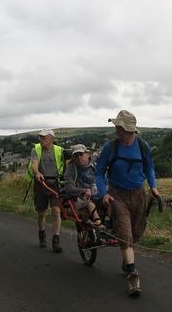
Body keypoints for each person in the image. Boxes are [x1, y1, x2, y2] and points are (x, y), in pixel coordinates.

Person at [94, 110, 160, 297]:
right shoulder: (110, 147)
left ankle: (126, 259)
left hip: (139, 194)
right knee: (125, 232)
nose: (117, 131)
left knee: (136, 233)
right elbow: (99, 172)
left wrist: (153, 187)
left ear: (130, 130)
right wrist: (104, 193)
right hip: (117, 196)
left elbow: (149, 168)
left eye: (120, 128)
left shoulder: (142, 146)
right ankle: (132, 274)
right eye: (116, 127)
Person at [26, 129, 64, 253]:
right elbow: (34, 164)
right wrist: (37, 173)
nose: (41, 140)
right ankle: (42, 233)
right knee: (41, 213)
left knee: (56, 210)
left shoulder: (59, 150)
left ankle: (56, 239)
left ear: (51, 138)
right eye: (40, 137)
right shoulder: (36, 149)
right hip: (41, 184)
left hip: (55, 184)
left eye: (43, 137)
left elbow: (65, 164)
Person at [62, 144, 103, 225]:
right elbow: (68, 188)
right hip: (80, 197)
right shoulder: (71, 168)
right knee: (89, 203)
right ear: (73, 158)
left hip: (97, 194)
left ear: (88, 154)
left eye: (81, 154)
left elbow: (104, 180)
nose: (79, 157)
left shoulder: (96, 165)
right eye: (76, 155)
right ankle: (97, 222)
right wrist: (84, 191)